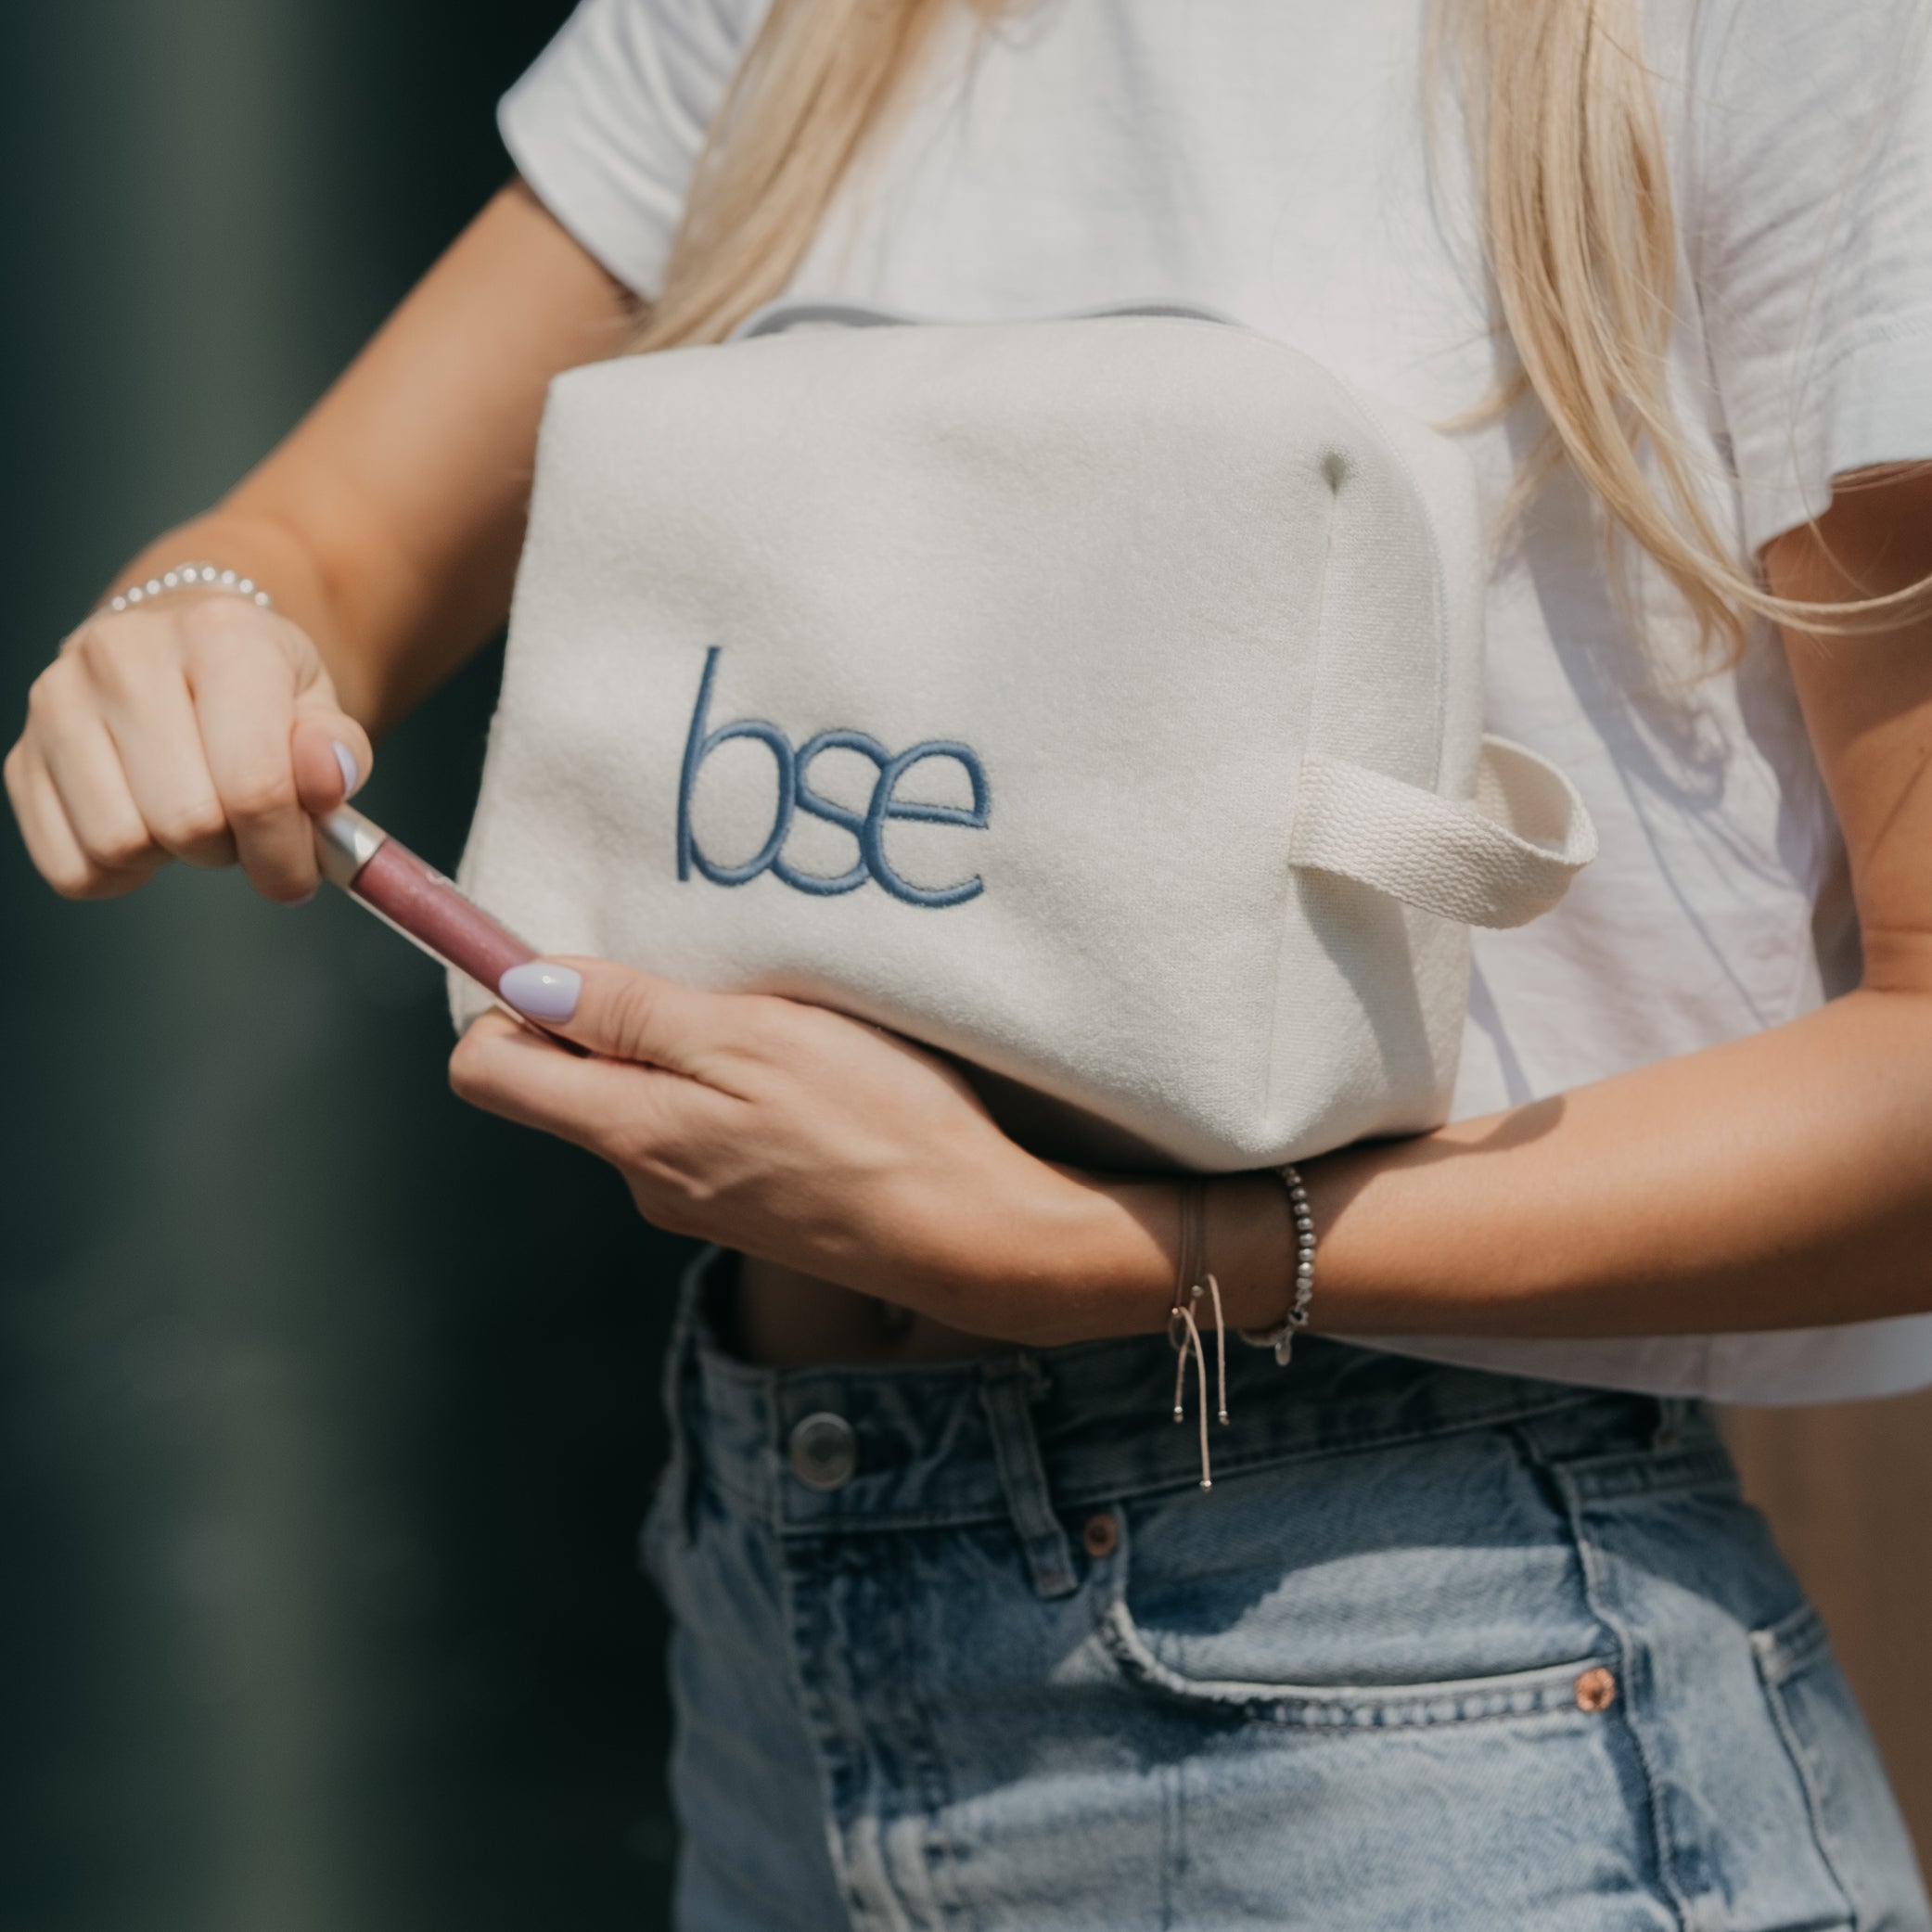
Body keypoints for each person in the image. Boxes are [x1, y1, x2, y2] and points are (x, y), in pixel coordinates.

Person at [11, 0, 1932, 1922]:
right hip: (777, 1601)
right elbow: (314, 549)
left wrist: (1142, 1260)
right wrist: (200, 624)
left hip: (1408, 1659)